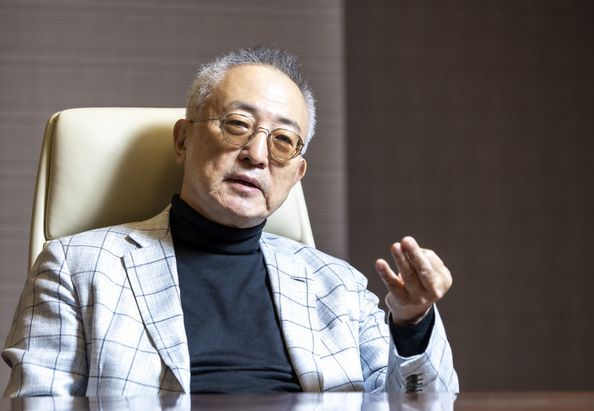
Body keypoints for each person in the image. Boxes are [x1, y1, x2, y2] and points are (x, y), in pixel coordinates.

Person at [2, 46, 458, 396]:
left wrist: (412, 323)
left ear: (296, 174)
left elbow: (422, 402)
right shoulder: (76, 267)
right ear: (183, 140)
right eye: (237, 124)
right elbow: (40, 402)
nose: (257, 155)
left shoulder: (338, 285)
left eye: (283, 140)